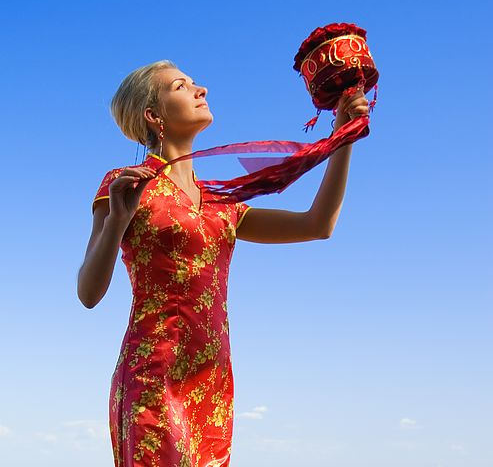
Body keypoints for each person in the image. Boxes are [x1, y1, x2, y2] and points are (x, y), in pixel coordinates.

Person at [77, 59, 369, 466]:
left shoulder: (221, 203)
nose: (202, 90)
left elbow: (318, 224)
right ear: (153, 115)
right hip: (153, 376)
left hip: (211, 380)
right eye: (181, 86)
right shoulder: (126, 184)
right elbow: (88, 293)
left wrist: (343, 137)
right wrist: (117, 223)